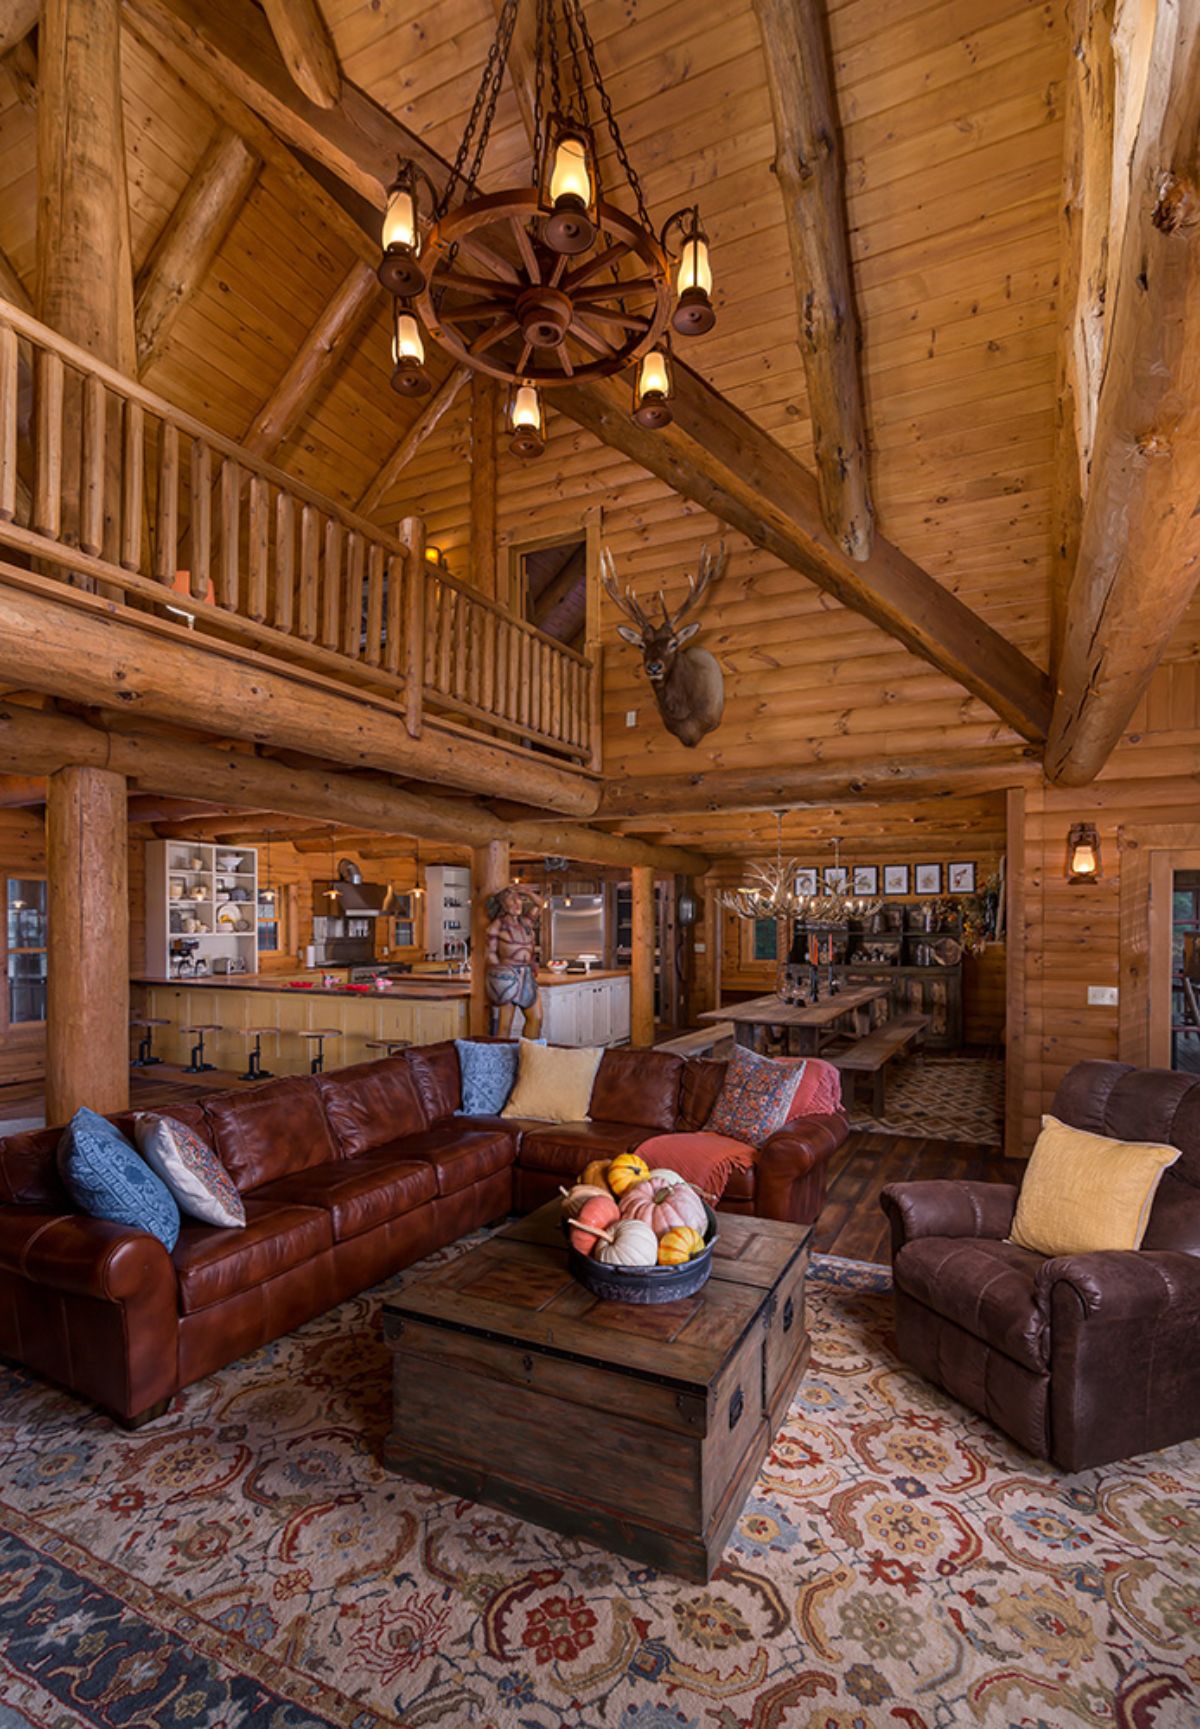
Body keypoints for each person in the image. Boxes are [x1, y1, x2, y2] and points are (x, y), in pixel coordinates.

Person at [484, 884, 543, 1037]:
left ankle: (529, 1053)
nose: (517, 903)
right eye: (512, 900)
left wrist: (527, 892)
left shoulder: (526, 922)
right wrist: (499, 976)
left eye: (519, 899)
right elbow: (490, 953)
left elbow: (540, 904)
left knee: (536, 1018)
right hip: (508, 976)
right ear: (503, 904)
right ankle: (501, 1058)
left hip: (527, 975)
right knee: (505, 1025)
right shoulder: (497, 926)